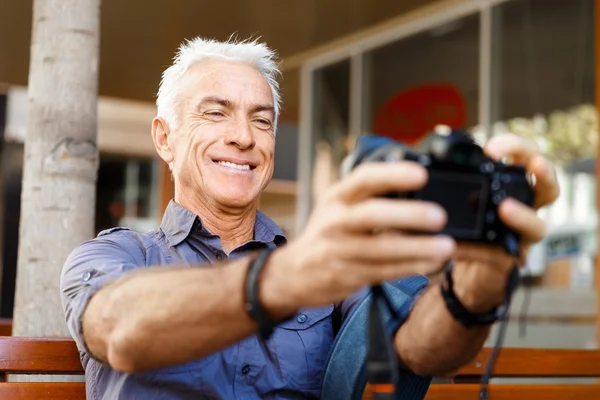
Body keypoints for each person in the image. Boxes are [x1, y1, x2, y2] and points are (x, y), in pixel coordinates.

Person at [60, 36, 559, 400]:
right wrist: (289, 276)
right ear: (164, 138)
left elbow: (420, 347)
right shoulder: (113, 255)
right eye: (216, 113)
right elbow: (122, 328)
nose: (243, 137)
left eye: (262, 120)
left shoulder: (330, 262)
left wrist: (476, 286)